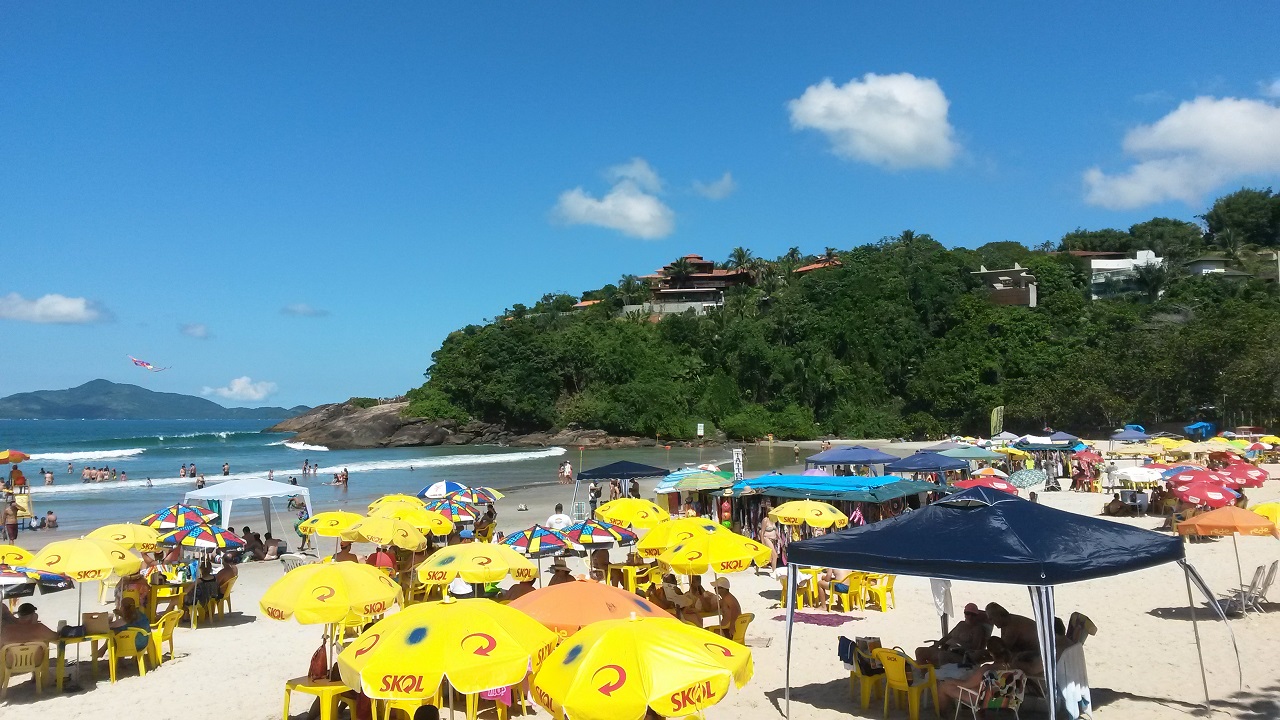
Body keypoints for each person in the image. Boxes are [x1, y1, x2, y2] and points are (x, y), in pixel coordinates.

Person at [937, 637, 1013, 714]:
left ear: (990, 653)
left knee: (943, 686)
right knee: (979, 687)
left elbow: (966, 684)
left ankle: (942, 716)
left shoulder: (986, 669)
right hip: (1007, 699)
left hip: (986, 701)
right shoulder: (1014, 668)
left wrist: (951, 680)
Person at [915, 603, 990, 667]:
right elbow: (948, 636)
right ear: (964, 613)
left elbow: (975, 648)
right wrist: (938, 643)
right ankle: (925, 675)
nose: (970, 616)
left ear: (976, 615)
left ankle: (940, 678)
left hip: (962, 656)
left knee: (942, 655)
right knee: (919, 651)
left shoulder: (978, 629)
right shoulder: (961, 624)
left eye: (973, 614)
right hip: (946, 650)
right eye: (967, 613)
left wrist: (957, 644)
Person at [758, 506, 780, 573]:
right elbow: (762, 532)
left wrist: (779, 538)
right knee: (775, 555)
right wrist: (763, 543)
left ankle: (757, 564)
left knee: (769, 556)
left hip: (773, 540)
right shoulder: (765, 520)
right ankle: (774, 572)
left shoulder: (773, 520)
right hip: (766, 539)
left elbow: (775, 530)